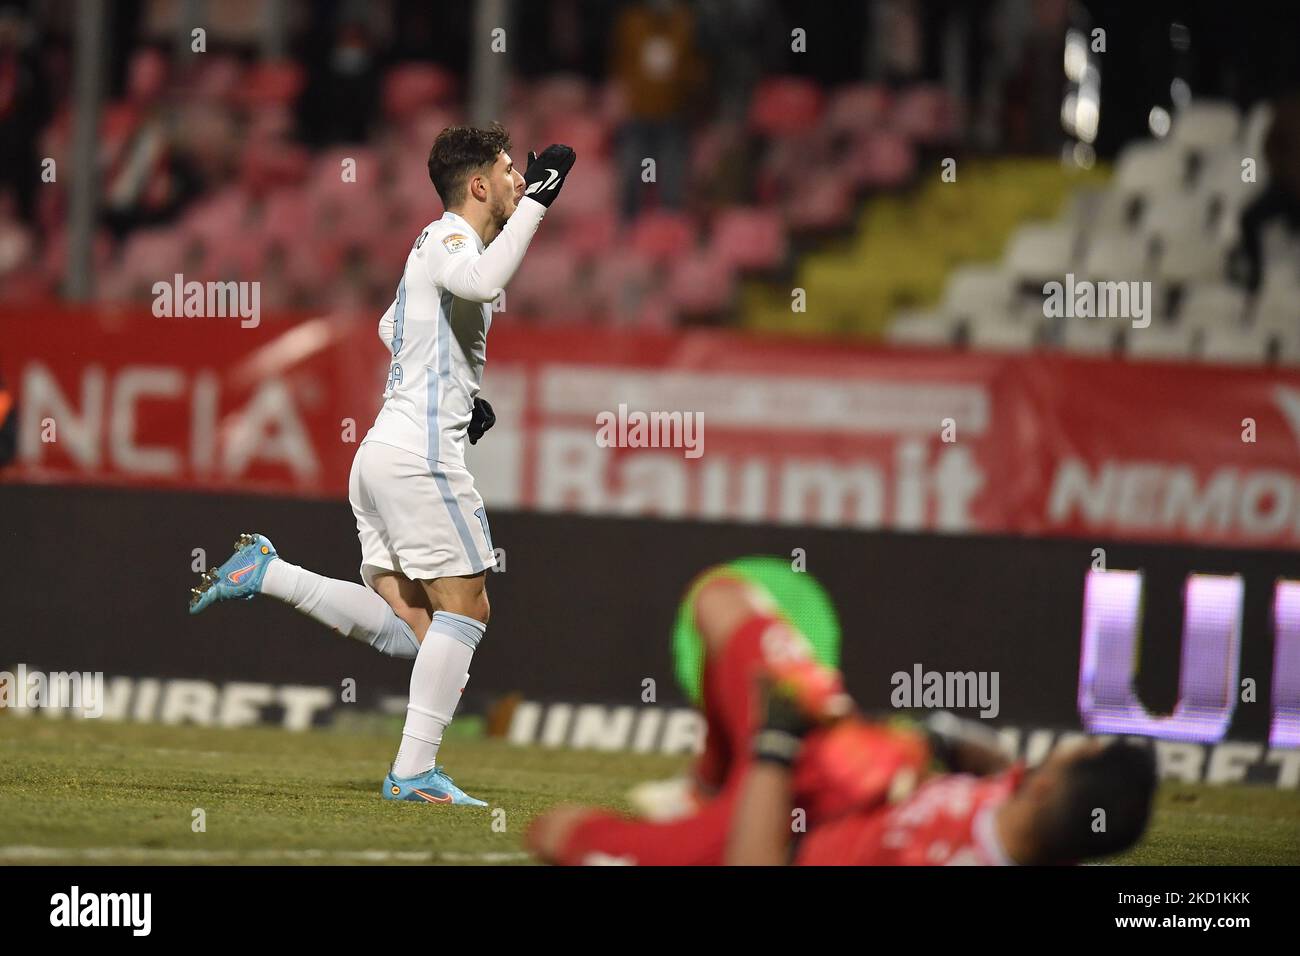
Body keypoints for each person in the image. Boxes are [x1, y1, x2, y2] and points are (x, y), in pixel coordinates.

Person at [188, 124, 576, 806]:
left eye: (527, 173)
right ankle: (413, 773)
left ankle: (268, 572)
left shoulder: (427, 244)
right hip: (419, 458)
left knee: (413, 631)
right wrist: (543, 200)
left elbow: (390, 330)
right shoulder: (455, 237)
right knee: (468, 609)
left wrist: (457, 386)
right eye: (513, 170)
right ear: (479, 185)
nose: (522, 178)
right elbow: (483, 284)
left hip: (380, 457)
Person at [527, 568, 1157, 864]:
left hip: (772, 831)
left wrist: (774, 750)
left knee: (555, 833)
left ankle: (720, 793)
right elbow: (1008, 778)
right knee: (720, 599)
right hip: (842, 754)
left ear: (1050, 783)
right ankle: (708, 784)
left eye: (1066, 756)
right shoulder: (1041, 818)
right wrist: (958, 744)